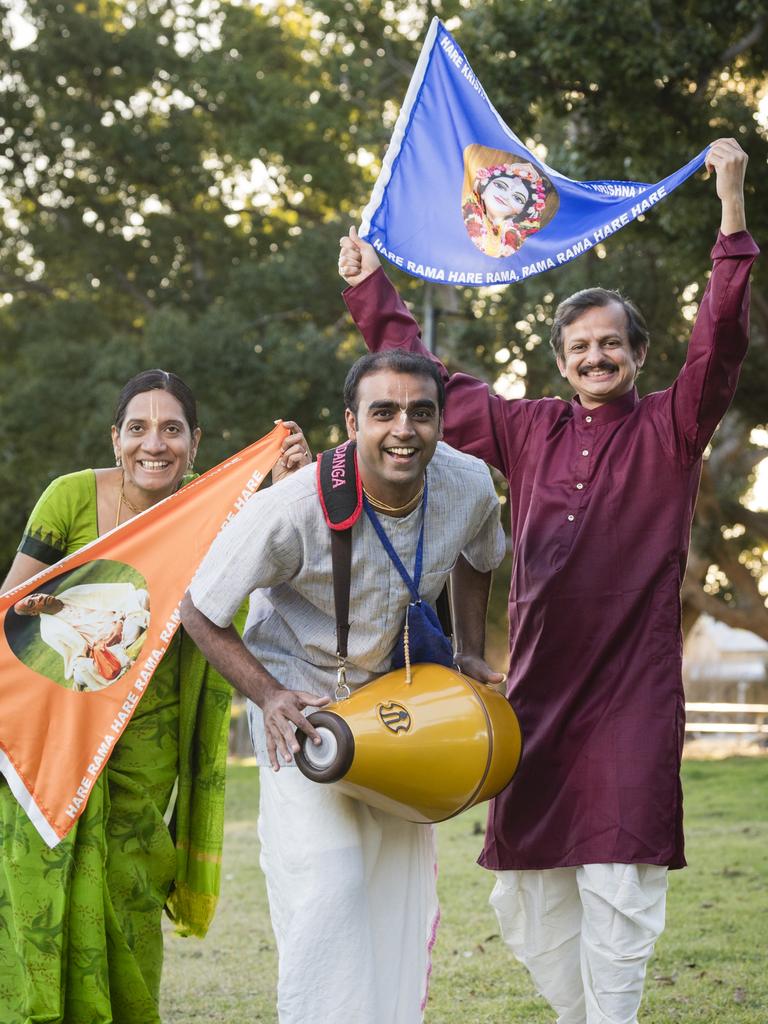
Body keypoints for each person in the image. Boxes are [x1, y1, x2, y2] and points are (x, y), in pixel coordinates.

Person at [338, 138, 757, 1024]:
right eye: (581, 347)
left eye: (612, 344)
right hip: (539, 692)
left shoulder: (674, 428)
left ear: (639, 356)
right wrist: (371, 288)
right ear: (562, 362)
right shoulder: (526, 430)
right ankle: (583, 1017)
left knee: (620, 881)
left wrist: (730, 211)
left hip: (633, 696)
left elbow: (718, 344)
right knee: (520, 896)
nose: (597, 357)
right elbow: (430, 385)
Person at [180, 350, 506, 1023]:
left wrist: (471, 649)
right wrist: (269, 695)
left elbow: (483, 551)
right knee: (329, 885)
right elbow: (199, 609)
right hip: (307, 715)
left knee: (393, 893)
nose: (403, 429)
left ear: (441, 420)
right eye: (383, 412)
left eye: (421, 412)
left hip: (399, 710)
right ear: (351, 421)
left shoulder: (468, 482)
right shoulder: (291, 508)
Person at [0, 368, 311, 1024]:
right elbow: (11, 610)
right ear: (116, 439)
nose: (154, 443)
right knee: (38, 887)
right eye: (138, 428)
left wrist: (287, 489)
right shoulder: (69, 499)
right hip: (59, 731)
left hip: (151, 733)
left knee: (130, 890)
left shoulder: (219, 510)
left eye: (172, 429)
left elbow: (279, 561)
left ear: (195, 442)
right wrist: (76, 611)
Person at [14, 583, 151, 690]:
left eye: (36, 595)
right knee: (81, 672)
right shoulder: (48, 631)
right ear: (33, 612)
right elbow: (76, 656)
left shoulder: (74, 593)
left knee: (140, 596)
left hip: (122, 624)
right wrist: (102, 646)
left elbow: (116, 600)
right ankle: (121, 652)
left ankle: (123, 650)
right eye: (33, 603)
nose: (39, 598)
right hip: (105, 647)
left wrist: (119, 624)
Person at [461, 143, 557, 257]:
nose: (505, 196)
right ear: (483, 190)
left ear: (521, 211)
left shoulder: (514, 242)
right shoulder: (463, 213)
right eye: (500, 186)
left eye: (517, 198)